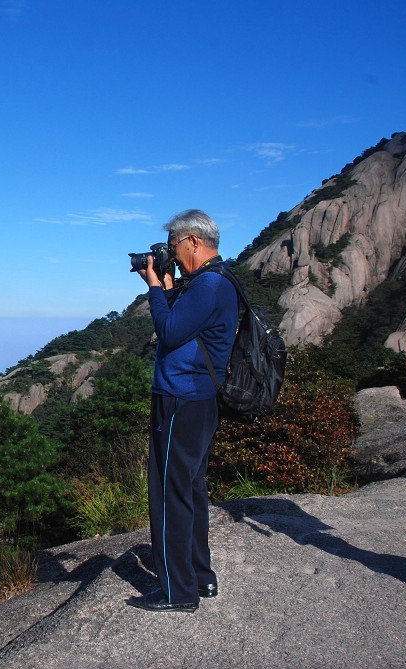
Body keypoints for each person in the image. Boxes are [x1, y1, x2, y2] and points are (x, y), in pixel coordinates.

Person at [130, 209, 238, 613]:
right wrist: (172, 286)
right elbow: (187, 323)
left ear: (193, 240)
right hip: (198, 400)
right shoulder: (215, 281)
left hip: (181, 399)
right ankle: (201, 578)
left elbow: (171, 331)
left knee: (168, 493)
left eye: (174, 246)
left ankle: (179, 592)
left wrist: (155, 286)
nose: (172, 253)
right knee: (190, 489)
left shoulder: (209, 284)